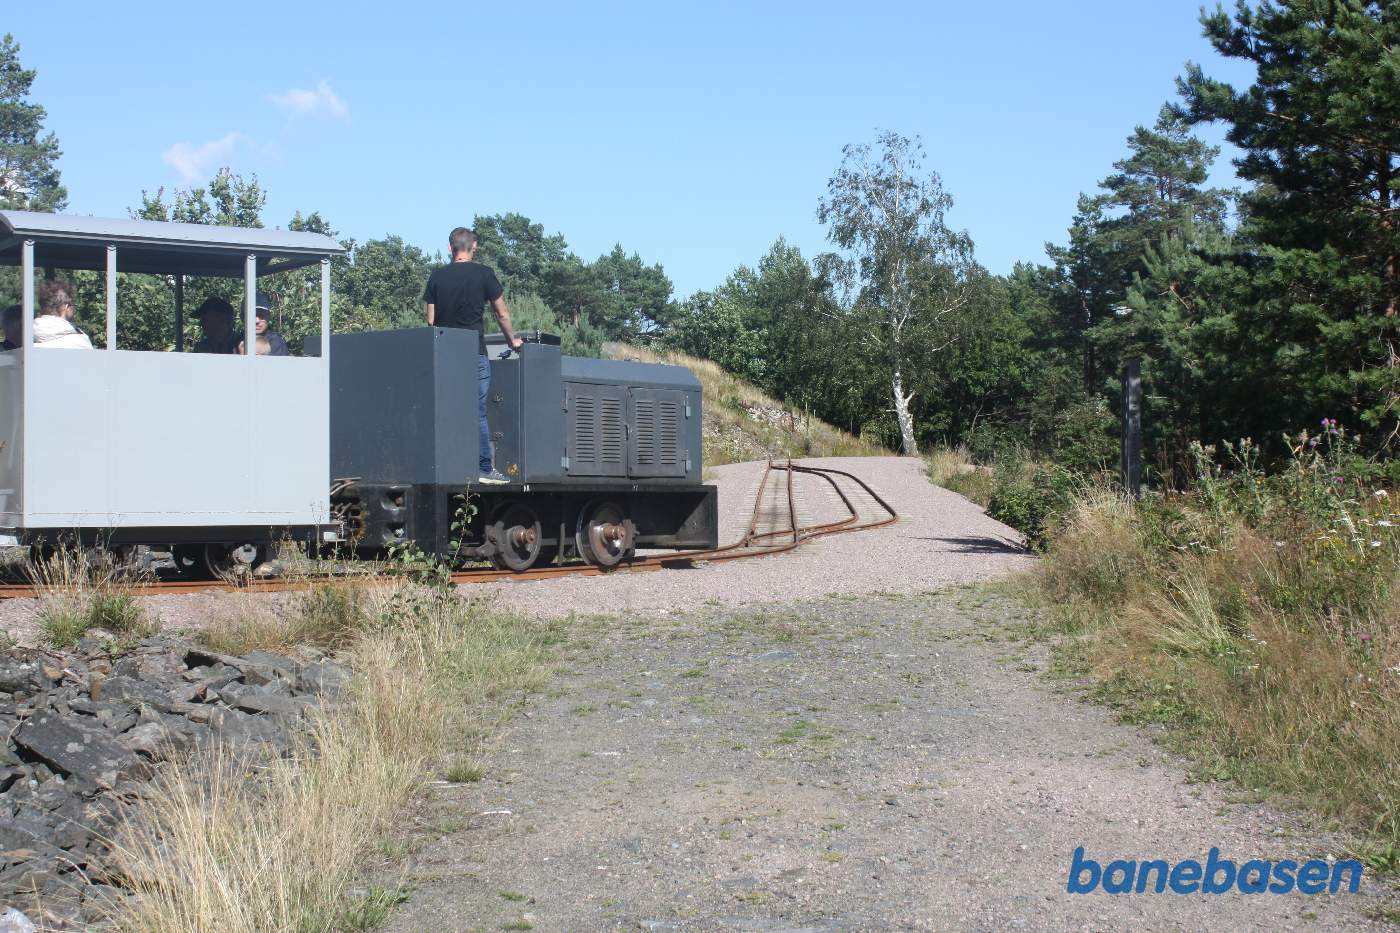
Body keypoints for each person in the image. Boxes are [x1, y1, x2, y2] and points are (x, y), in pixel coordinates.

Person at [423, 226, 523, 485]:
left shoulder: (436, 276)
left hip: (445, 355)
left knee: (446, 409)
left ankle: (447, 462)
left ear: (450, 248)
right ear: (474, 247)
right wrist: (512, 340)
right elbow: (501, 313)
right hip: (474, 353)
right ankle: (484, 467)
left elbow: (431, 321)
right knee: (477, 411)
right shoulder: (484, 274)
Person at [33, 279, 93, 349]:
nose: (74, 309)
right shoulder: (81, 343)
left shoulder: (25, 339)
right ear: (66, 307)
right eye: (73, 304)